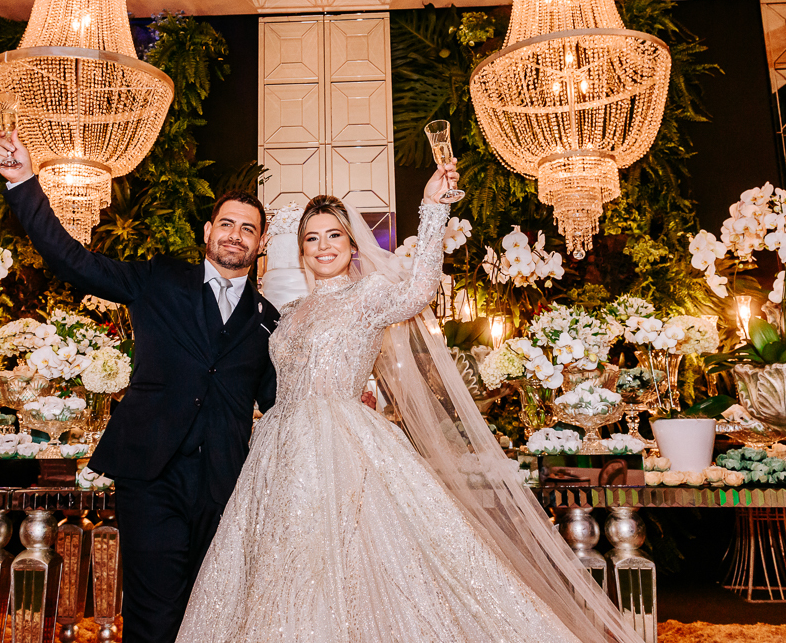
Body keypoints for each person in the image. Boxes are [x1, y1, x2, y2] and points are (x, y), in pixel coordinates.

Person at [174, 165, 643, 643]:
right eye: (312, 238)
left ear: (353, 245)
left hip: (341, 442)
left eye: (334, 235)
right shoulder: (289, 313)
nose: (324, 246)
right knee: (278, 558)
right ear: (301, 252)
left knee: (354, 554)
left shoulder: (368, 296)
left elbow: (419, 289)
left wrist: (434, 209)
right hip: (278, 449)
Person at [0, 130, 280, 643]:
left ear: (262, 244)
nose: (236, 235)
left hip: (224, 485)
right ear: (208, 230)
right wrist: (24, 184)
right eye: (228, 224)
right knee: (154, 615)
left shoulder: (268, 320)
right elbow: (73, 260)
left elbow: (280, 403)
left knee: (210, 611)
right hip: (151, 475)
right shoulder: (158, 279)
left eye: (249, 229)